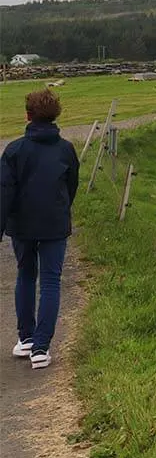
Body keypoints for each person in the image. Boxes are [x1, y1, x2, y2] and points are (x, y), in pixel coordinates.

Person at [0, 89, 80, 370]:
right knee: (50, 281)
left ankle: (27, 338)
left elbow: (4, 194)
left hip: (22, 224)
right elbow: (71, 186)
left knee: (25, 275)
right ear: (55, 115)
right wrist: (61, 208)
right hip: (54, 223)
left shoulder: (14, 150)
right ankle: (41, 348)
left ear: (28, 115)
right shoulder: (65, 149)